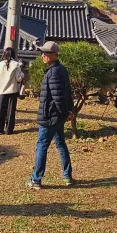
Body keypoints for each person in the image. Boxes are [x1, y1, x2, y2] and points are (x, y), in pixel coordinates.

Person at [27, 41, 74, 189]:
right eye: (42, 53)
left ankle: (36, 179)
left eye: (46, 53)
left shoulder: (53, 72)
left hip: (50, 116)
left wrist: (66, 112)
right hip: (58, 116)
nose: (43, 55)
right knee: (61, 144)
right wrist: (68, 111)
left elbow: (58, 97)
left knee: (42, 146)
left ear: (54, 55)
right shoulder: (61, 69)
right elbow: (67, 93)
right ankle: (67, 176)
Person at [0, 48, 25, 135]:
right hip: (12, 90)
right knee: (10, 111)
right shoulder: (16, 64)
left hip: (2, 90)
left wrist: (0, 86)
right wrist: (22, 75)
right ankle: (8, 130)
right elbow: (18, 79)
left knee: (1, 110)